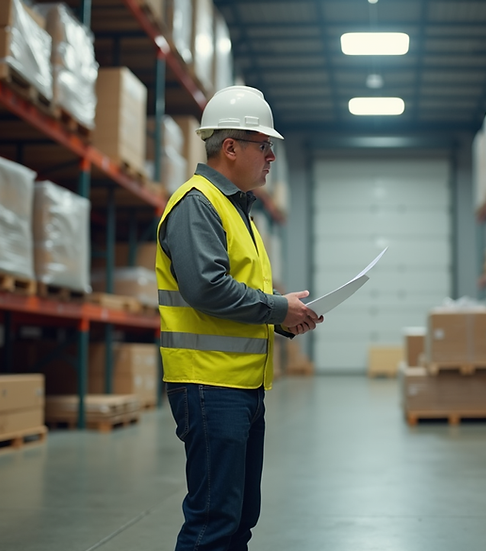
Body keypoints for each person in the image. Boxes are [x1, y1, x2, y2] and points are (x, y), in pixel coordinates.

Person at [155, 85, 322, 551]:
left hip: (240, 387)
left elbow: (240, 290)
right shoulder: (197, 203)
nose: (271, 156)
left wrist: (283, 318)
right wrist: (276, 307)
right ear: (230, 148)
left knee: (240, 519)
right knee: (213, 523)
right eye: (263, 146)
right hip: (210, 388)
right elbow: (206, 287)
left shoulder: (235, 208)